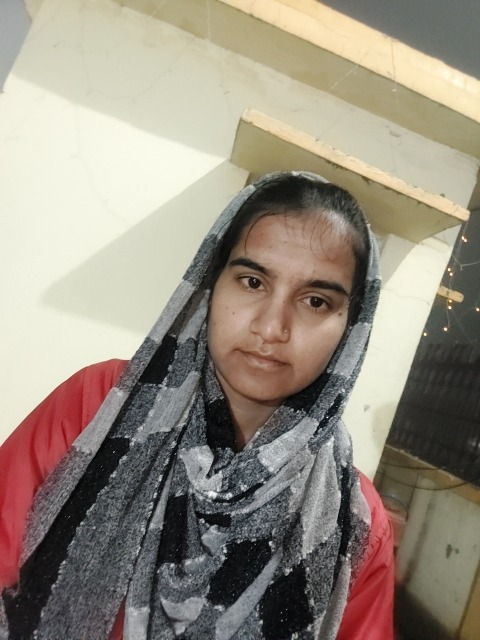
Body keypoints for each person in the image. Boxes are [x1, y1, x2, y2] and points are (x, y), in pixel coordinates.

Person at [0, 171, 394, 639]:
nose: (272, 328)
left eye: (315, 301)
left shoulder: (355, 521)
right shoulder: (98, 406)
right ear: (211, 283)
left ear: (352, 327)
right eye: (252, 281)